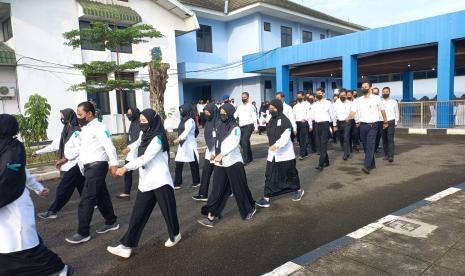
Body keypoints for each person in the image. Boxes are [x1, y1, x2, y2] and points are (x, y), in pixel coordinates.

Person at [0, 114, 72, 276]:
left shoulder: (13, 149)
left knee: (26, 249)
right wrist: (38, 188)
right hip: (4, 209)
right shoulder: (3, 147)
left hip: (13, 205)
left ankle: (60, 270)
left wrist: (37, 188)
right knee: (9, 250)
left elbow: (12, 174)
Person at [108, 109, 181, 259]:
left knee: (168, 211)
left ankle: (175, 234)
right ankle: (126, 246)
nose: (141, 123)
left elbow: (146, 157)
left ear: (152, 121)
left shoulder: (158, 138)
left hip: (160, 180)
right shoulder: (145, 133)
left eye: (144, 121)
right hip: (146, 181)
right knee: (138, 214)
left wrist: (126, 167)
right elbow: (139, 141)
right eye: (140, 120)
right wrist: (130, 147)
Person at [66, 101, 119, 245]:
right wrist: (66, 158)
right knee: (101, 195)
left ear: (89, 114)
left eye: (80, 114)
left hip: (97, 166)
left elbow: (110, 146)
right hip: (89, 167)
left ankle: (83, 232)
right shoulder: (85, 129)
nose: (78, 116)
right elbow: (82, 149)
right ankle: (111, 221)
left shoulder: (100, 127)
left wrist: (114, 164)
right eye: (77, 114)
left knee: (87, 199)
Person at [198, 103, 256, 227]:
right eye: (221, 112)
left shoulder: (235, 128)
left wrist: (222, 154)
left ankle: (249, 209)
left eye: (225, 112)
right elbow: (216, 141)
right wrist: (213, 153)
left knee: (239, 189)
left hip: (233, 163)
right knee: (216, 190)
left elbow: (233, 143)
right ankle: (211, 216)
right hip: (220, 163)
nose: (222, 114)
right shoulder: (218, 124)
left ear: (230, 113)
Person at [34, 109, 85, 219]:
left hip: (74, 166)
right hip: (68, 167)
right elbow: (54, 146)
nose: (61, 119)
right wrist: (37, 152)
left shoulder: (76, 132)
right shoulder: (65, 131)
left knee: (63, 190)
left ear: (68, 117)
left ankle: (52, 211)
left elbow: (80, 149)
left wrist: (66, 158)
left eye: (62, 116)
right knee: (83, 186)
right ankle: (92, 203)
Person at [255, 99, 304, 208]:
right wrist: (262, 119)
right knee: (269, 174)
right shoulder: (271, 119)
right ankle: (266, 198)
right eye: (270, 108)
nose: (271, 110)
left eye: (273, 108)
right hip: (272, 154)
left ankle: (298, 190)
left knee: (290, 174)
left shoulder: (285, 121)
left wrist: (276, 145)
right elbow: (263, 122)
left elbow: (286, 137)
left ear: (279, 108)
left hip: (285, 154)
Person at [346, 81, 388, 174]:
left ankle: (367, 166)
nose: (364, 88)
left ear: (370, 88)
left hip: (373, 125)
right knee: (365, 146)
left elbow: (383, 110)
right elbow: (353, 111)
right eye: (362, 87)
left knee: (370, 145)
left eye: (365, 86)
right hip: (363, 126)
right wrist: (348, 118)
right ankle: (372, 163)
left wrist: (385, 121)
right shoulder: (358, 100)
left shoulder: (377, 98)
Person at [193, 103, 219, 202]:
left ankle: (229, 191)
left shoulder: (219, 122)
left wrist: (214, 152)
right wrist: (210, 150)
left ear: (213, 111)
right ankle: (203, 194)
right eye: (205, 112)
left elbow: (218, 138)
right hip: (210, 151)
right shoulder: (208, 122)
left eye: (208, 112)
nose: (206, 114)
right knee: (206, 172)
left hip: (218, 152)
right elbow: (209, 137)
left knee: (223, 174)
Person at [173, 104, 200, 189]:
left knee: (193, 164)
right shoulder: (183, 120)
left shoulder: (191, 120)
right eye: (180, 110)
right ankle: (177, 183)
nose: (181, 112)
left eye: (182, 110)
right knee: (178, 164)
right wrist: (180, 139)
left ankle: (196, 182)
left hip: (190, 145)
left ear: (186, 110)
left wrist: (179, 138)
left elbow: (186, 131)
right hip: (182, 146)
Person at [309, 88, 335, 171]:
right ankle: (326, 161)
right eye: (317, 93)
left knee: (323, 144)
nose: (318, 94)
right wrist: (310, 125)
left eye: (320, 93)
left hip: (325, 125)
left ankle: (320, 164)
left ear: (323, 94)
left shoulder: (328, 103)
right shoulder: (314, 104)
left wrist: (334, 125)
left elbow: (332, 114)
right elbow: (311, 116)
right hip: (316, 125)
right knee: (319, 144)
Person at [117, 107, 141, 200]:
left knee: (143, 169)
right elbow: (131, 136)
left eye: (130, 114)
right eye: (127, 113)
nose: (128, 115)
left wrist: (129, 148)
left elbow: (138, 139)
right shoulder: (134, 122)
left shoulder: (140, 123)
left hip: (137, 150)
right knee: (128, 171)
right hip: (131, 150)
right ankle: (126, 192)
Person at [234, 92, 258, 165]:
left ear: (248, 97)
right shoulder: (239, 107)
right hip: (241, 126)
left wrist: (256, 127)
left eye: (244, 97)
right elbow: (235, 115)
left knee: (244, 141)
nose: (243, 98)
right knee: (243, 142)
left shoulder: (251, 106)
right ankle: (250, 157)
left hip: (249, 126)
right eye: (242, 97)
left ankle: (245, 159)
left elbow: (254, 117)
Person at [333, 90, 353, 160]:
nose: (342, 96)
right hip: (339, 122)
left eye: (344, 95)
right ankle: (345, 149)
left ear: (346, 95)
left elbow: (353, 112)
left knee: (346, 137)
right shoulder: (335, 104)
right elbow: (334, 115)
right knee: (341, 138)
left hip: (347, 122)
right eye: (341, 95)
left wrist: (350, 118)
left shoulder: (350, 103)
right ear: (339, 95)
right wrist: (334, 125)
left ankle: (346, 153)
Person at [381, 87, 399, 162]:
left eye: (386, 91)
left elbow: (397, 112)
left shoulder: (394, 102)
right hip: (382, 122)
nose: (385, 93)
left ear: (389, 92)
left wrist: (396, 122)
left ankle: (391, 156)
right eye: (384, 92)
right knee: (384, 139)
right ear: (382, 93)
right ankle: (386, 154)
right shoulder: (380, 102)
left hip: (391, 121)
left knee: (390, 139)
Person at [293, 92, 311, 159]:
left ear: (303, 97)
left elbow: (309, 114)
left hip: (304, 123)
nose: (299, 98)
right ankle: (305, 152)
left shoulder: (307, 104)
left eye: (300, 96)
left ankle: (302, 154)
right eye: (298, 96)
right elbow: (293, 116)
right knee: (299, 139)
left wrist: (308, 122)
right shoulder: (295, 106)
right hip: (297, 123)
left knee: (302, 138)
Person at [372, 87, 383, 153]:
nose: (375, 94)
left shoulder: (381, 100)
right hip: (372, 121)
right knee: (373, 135)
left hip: (380, 120)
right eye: (374, 93)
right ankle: (372, 148)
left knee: (378, 135)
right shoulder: (369, 101)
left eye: (376, 93)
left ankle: (375, 149)